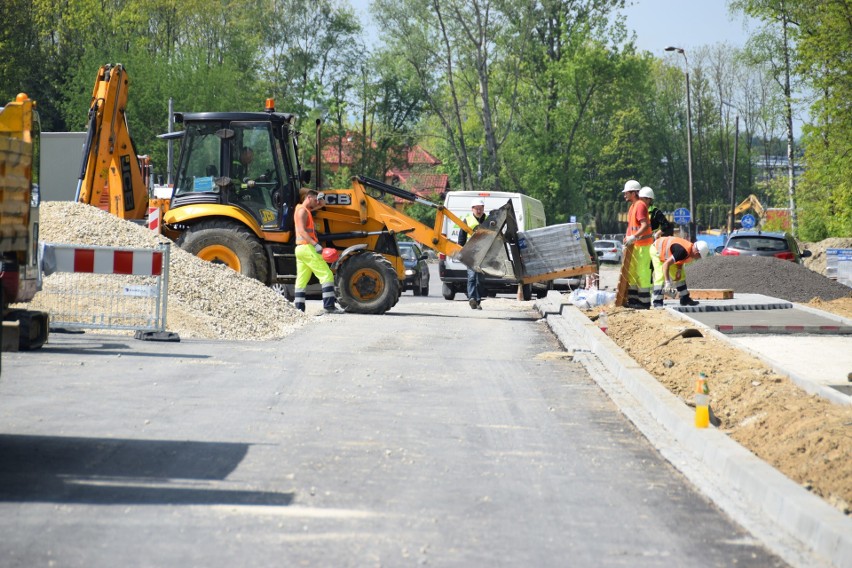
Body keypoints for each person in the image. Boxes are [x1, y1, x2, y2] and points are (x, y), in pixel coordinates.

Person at [293, 188, 343, 314]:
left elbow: (322, 204)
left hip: (301, 249)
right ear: (308, 198)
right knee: (327, 275)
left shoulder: (305, 210)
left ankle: (298, 309)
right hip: (307, 247)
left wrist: (320, 197)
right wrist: (315, 244)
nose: (317, 202)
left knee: (301, 280)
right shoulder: (302, 212)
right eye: (315, 199)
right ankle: (329, 306)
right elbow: (302, 231)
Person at [651, 236, 709, 307]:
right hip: (657, 249)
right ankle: (657, 302)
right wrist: (667, 282)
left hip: (667, 254)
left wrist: (678, 270)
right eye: (699, 256)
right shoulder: (683, 250)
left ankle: (684, 299)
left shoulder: (690, 251)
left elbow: (680, 259)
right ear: (697, 252)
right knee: (660, 276)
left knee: (681, 275)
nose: (698, 259)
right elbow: (666, 265)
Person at [622, 180, 653, 309]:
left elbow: (644, 225)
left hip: (643, 245)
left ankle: (644, 302)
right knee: (632, 273)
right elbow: (631, 227)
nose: (624, 195)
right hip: (635, 245)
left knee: (643, 272)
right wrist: (627, 238)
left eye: (627, 193)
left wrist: (633, 237)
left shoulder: (640, 205)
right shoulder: (632, 207)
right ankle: (633, 300)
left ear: (634, 193)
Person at [457, 198, 487, 310]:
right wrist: (461, 252)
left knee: (480, 279)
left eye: (480, 208)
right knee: (471, 277)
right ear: (472, 209)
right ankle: (472, 299)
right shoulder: (467, 220)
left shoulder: (488, 220)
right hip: (470, 254)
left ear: (483, 209)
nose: (479, 211)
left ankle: (478, 301)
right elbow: (461, 239)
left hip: (484, 254)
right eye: (476, 208)